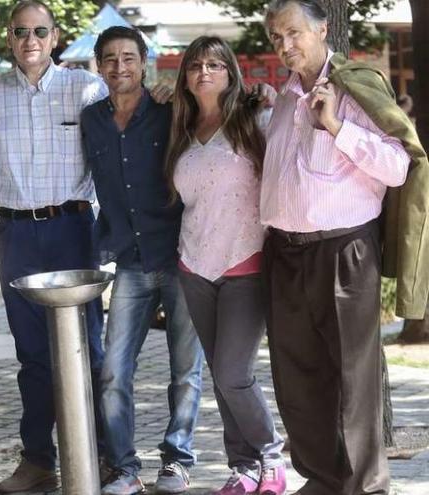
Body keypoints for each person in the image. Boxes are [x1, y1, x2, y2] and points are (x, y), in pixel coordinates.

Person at [261, 1, 411, 493]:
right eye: (275, 36)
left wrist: (337, 126)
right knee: (297, 374)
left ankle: (365, 486)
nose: (284, 45)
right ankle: (323, 478)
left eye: (294, 33)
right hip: (284, 253)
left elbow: (397, 166)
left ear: (323, 28)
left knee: (353, 380)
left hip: (344, 251)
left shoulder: (355, 88)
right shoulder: (283, 99)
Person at [0, 1, 108, 491]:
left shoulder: (87, 89)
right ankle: (38, 460)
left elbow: (119, 143)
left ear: (55, 36)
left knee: (88, 347)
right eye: (21, 31)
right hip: (17, 235)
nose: (30, 39)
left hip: (73, 229)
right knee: (32, 354)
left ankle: (104, 455)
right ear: (10, 36)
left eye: (40, 31)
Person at [80, 26, 204, 495]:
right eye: (109, 59)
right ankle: (124, 468)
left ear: (143, 60)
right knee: (113, 370)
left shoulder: (172, 111)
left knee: (184, 369)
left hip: (178, 254)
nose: (119, 67)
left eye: (128, 58)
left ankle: (177, 460)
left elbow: (221, 112)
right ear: (98, 65)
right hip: (129, 260)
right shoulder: (90, 119)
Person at [166, 36, 286, 495]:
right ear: (186, 77)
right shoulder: (180, 128)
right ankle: (243, 467)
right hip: (194, 265)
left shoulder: (255, 120)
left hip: (245, 263)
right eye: (195, 65)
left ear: (230, 73)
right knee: (219, 374)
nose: (204, 72)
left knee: (235, 373)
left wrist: (275, 99)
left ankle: (272, 457)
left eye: (215, 64)